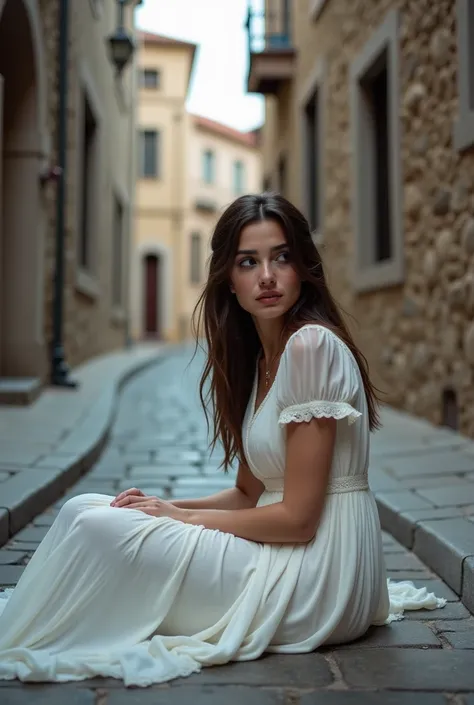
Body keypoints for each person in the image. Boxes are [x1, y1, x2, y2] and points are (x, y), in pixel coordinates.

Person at [0, 193, 445, 687]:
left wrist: (183, 519)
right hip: (283, 551)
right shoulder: (262, 361)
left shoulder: (312, 346)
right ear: (229, 282)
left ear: (304, 266)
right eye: (248, 262)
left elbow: (298, 521)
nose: (267, 276)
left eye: (281, 257)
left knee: (98, 531)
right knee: (88, 509)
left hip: (318, 573)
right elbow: (246, 495)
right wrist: (162, 504)